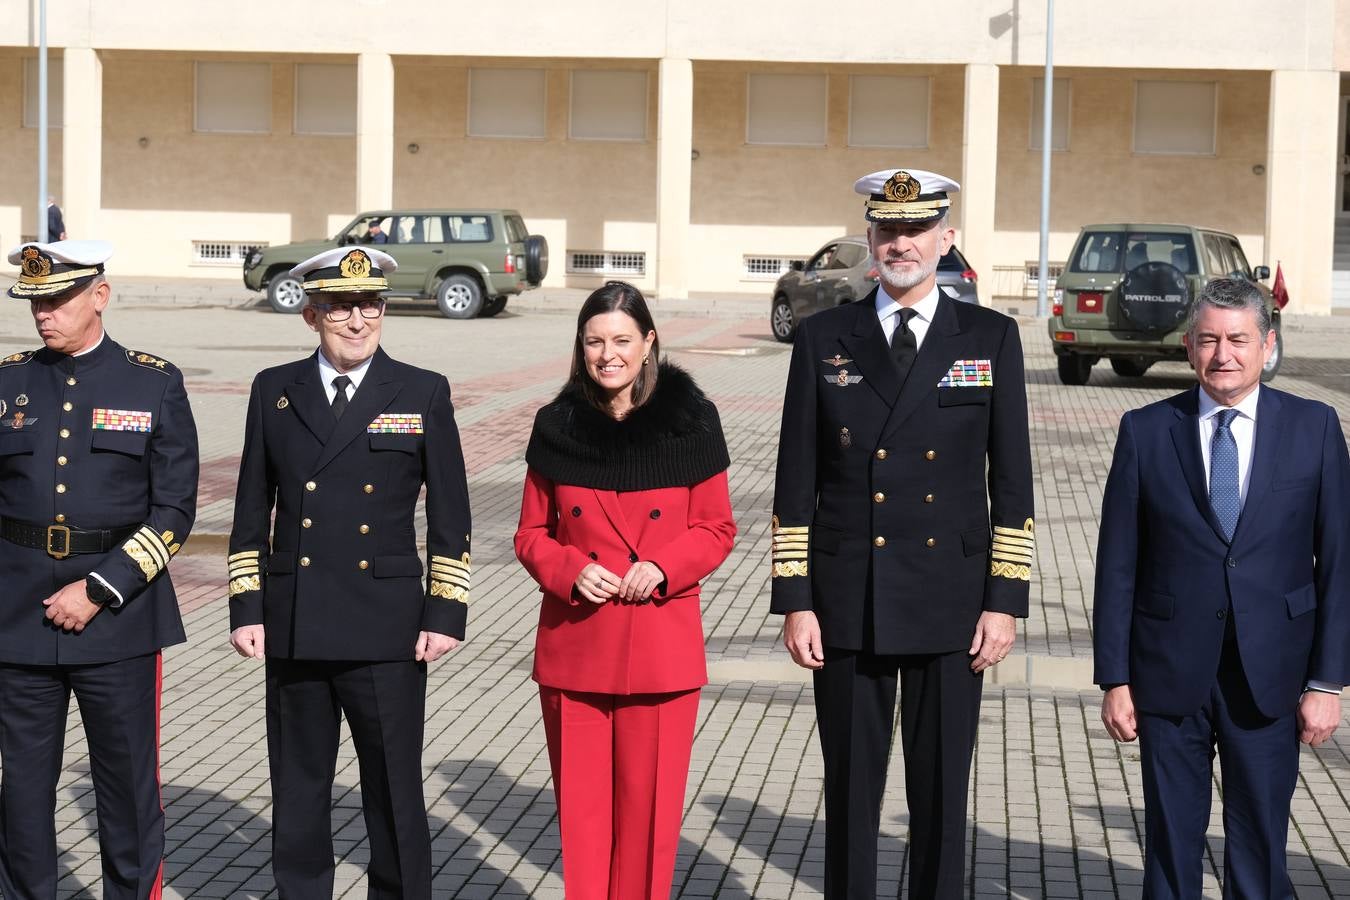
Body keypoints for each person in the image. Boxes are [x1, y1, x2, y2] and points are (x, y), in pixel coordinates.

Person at [770, 169, 1034, 899]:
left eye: (917, 230)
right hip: (847, 599)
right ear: (870, 240)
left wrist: (1004, 600)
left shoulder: (989, 337)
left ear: (946, 239)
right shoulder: (827, 337)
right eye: (887, 231)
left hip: (951, 604)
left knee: (942, 796)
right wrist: (795, 598)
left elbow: (1011, 483)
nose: (901, 244)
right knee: (851, 793)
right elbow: (795, 481)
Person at [227, 246, 472, 899]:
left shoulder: (421, 390)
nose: (358, 320)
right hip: (297, 621)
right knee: (299, 792)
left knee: (393, 791)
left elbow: (452, 513)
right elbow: (252, 507)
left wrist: (445, 613)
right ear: (312, 313)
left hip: (387, 628)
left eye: (371, 305)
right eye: (341, 306)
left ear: (385, 309)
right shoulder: (275, 390)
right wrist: (247, 607)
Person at [1094, 278, 1348, 899]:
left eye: (1238, 339)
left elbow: (1340, 560)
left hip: (1272, 674)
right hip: (1166, 672)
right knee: (1171, 840)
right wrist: (1115, 678)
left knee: (1260, 841)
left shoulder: (1314, 427)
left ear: (1268, 345)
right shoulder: (1146, 431)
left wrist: (1327, 682)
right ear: (1188, 346)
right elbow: (1117, 564)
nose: (1223, 354)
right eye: (1208, 340)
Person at [514, 281, 736, 900]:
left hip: (660, 646)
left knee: (649, 818)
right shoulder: (555, 425)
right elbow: (531, 534)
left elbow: (717, 527)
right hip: (576, 646)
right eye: (594, 341)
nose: (607, 354)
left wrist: (664, 567)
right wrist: (568, 570)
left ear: (649, 344)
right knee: (583, 825)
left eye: (621, 340)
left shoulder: (693, 421)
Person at [0, 240, 199, 899]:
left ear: (100, 297)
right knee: (23, 788)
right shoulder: (8, 382)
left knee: (125, 783)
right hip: (18, 617)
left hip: (117, 618)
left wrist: (99, 588)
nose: (43, 315)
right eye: (35, 303)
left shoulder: (152, 381)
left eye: (57, 300)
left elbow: (173, 509)